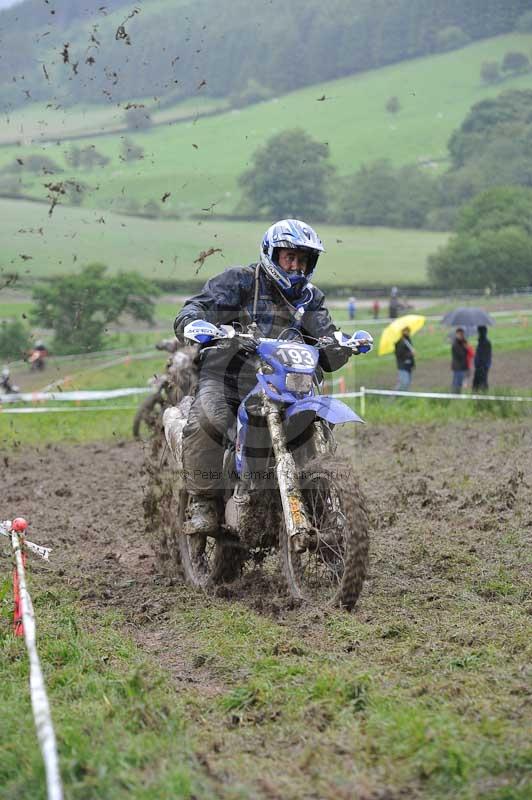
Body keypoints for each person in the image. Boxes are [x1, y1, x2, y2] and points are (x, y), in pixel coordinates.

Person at [173, 218, 372, 535]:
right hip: (231, 379)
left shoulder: (310, 300)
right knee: (210, 419)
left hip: (289, 383)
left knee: (315, 423)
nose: (295, 266)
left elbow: (328, 343)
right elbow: (197, 307)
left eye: (302, 259)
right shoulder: (241, 281)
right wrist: (196, 323)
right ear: (272, 254)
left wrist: (343, 344)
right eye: (289, 257)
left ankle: (323, 503)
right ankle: (203, 502)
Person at [394, 326, 415, 391]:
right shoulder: (399, 342)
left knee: (408, 383)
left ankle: (404, 397)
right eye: (406, 330)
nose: (408, 332)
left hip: (408, 365)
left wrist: (413, 364)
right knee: (403, 383)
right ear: (402, 331)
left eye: (408, 330)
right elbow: (398, 354)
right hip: (402, 365)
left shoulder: (408, 340)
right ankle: (393, 396)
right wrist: (410, 354)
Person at [472, 325, 492, 391]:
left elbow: (482, 355)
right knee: (478, 384)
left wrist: (479, 364)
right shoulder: (482, 342)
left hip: (481, 366)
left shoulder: (484, 342)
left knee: (480, 384)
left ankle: (483, 398)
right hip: (482, 366)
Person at [451, 327, 469, 393]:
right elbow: (461, 354)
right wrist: (465, 348)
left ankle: (457, 396)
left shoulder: (463, 342)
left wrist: (465, 346)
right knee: (456, 384)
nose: (461, 335)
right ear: (456, 334)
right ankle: (454, 396)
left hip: (462, 367)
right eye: (459, 334)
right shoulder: (455, 344)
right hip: (458, 367)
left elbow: (467, 353)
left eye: (462, 334)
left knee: (460, 384)